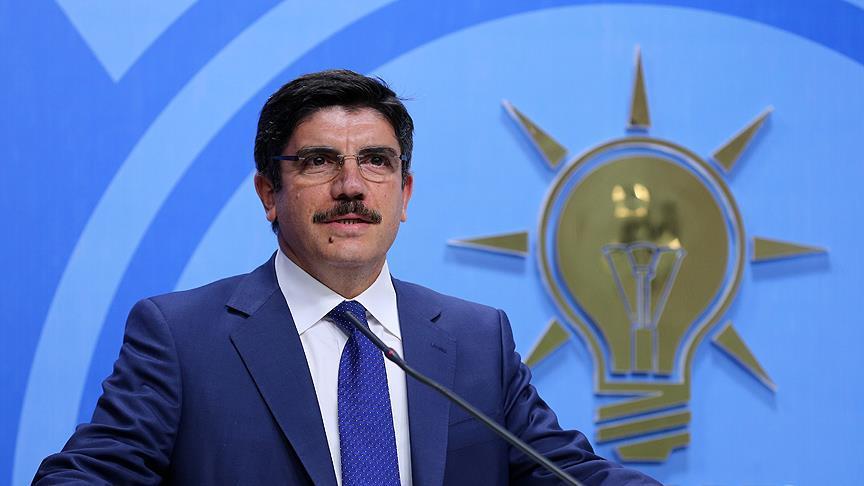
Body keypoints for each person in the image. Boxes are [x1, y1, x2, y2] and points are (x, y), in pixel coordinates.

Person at [34, 70, 660, 485]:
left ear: (404, 193)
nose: (352, 186)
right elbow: (85, 477)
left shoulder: (476, 339)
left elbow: (572, 474)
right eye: (319, 161)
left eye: (376, 162)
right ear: (268, 193)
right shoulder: (182, 337)